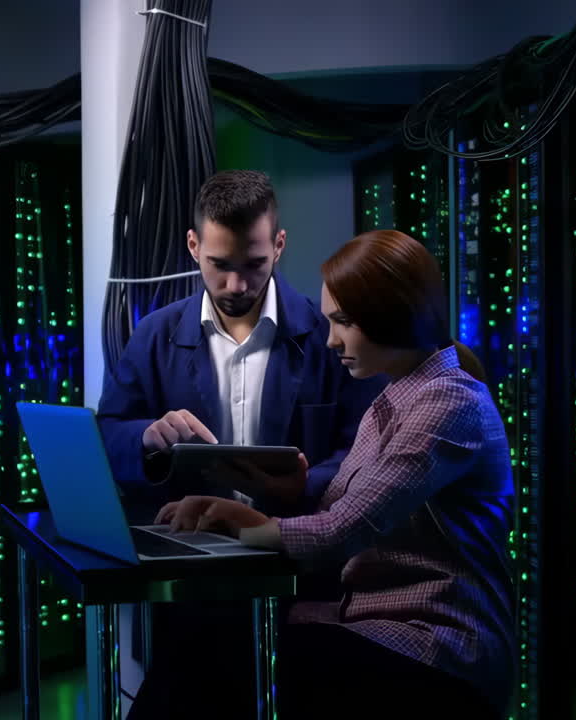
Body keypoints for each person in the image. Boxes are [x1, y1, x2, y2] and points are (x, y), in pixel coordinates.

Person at [158, 229, 516, 719]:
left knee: (209, 658)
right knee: (201, 638)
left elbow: (342, 532)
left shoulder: (450, 402)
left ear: (392, 313)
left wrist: (235, 520)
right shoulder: (393, 399)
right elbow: (342, 514)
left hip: (437, 644)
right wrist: (274, 496)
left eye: (343, 322)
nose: (331, 340)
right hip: (373, 624)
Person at [98, 170, 384, 718]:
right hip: (192, 588)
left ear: (279, 244)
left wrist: (308, 481)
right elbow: (110, 434)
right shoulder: (154, 335)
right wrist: (146, 439)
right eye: (219, 265)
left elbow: (363, 447)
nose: (236, 285)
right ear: (193, 246)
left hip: (302, 583)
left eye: (253, 265)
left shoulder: (331, 336)